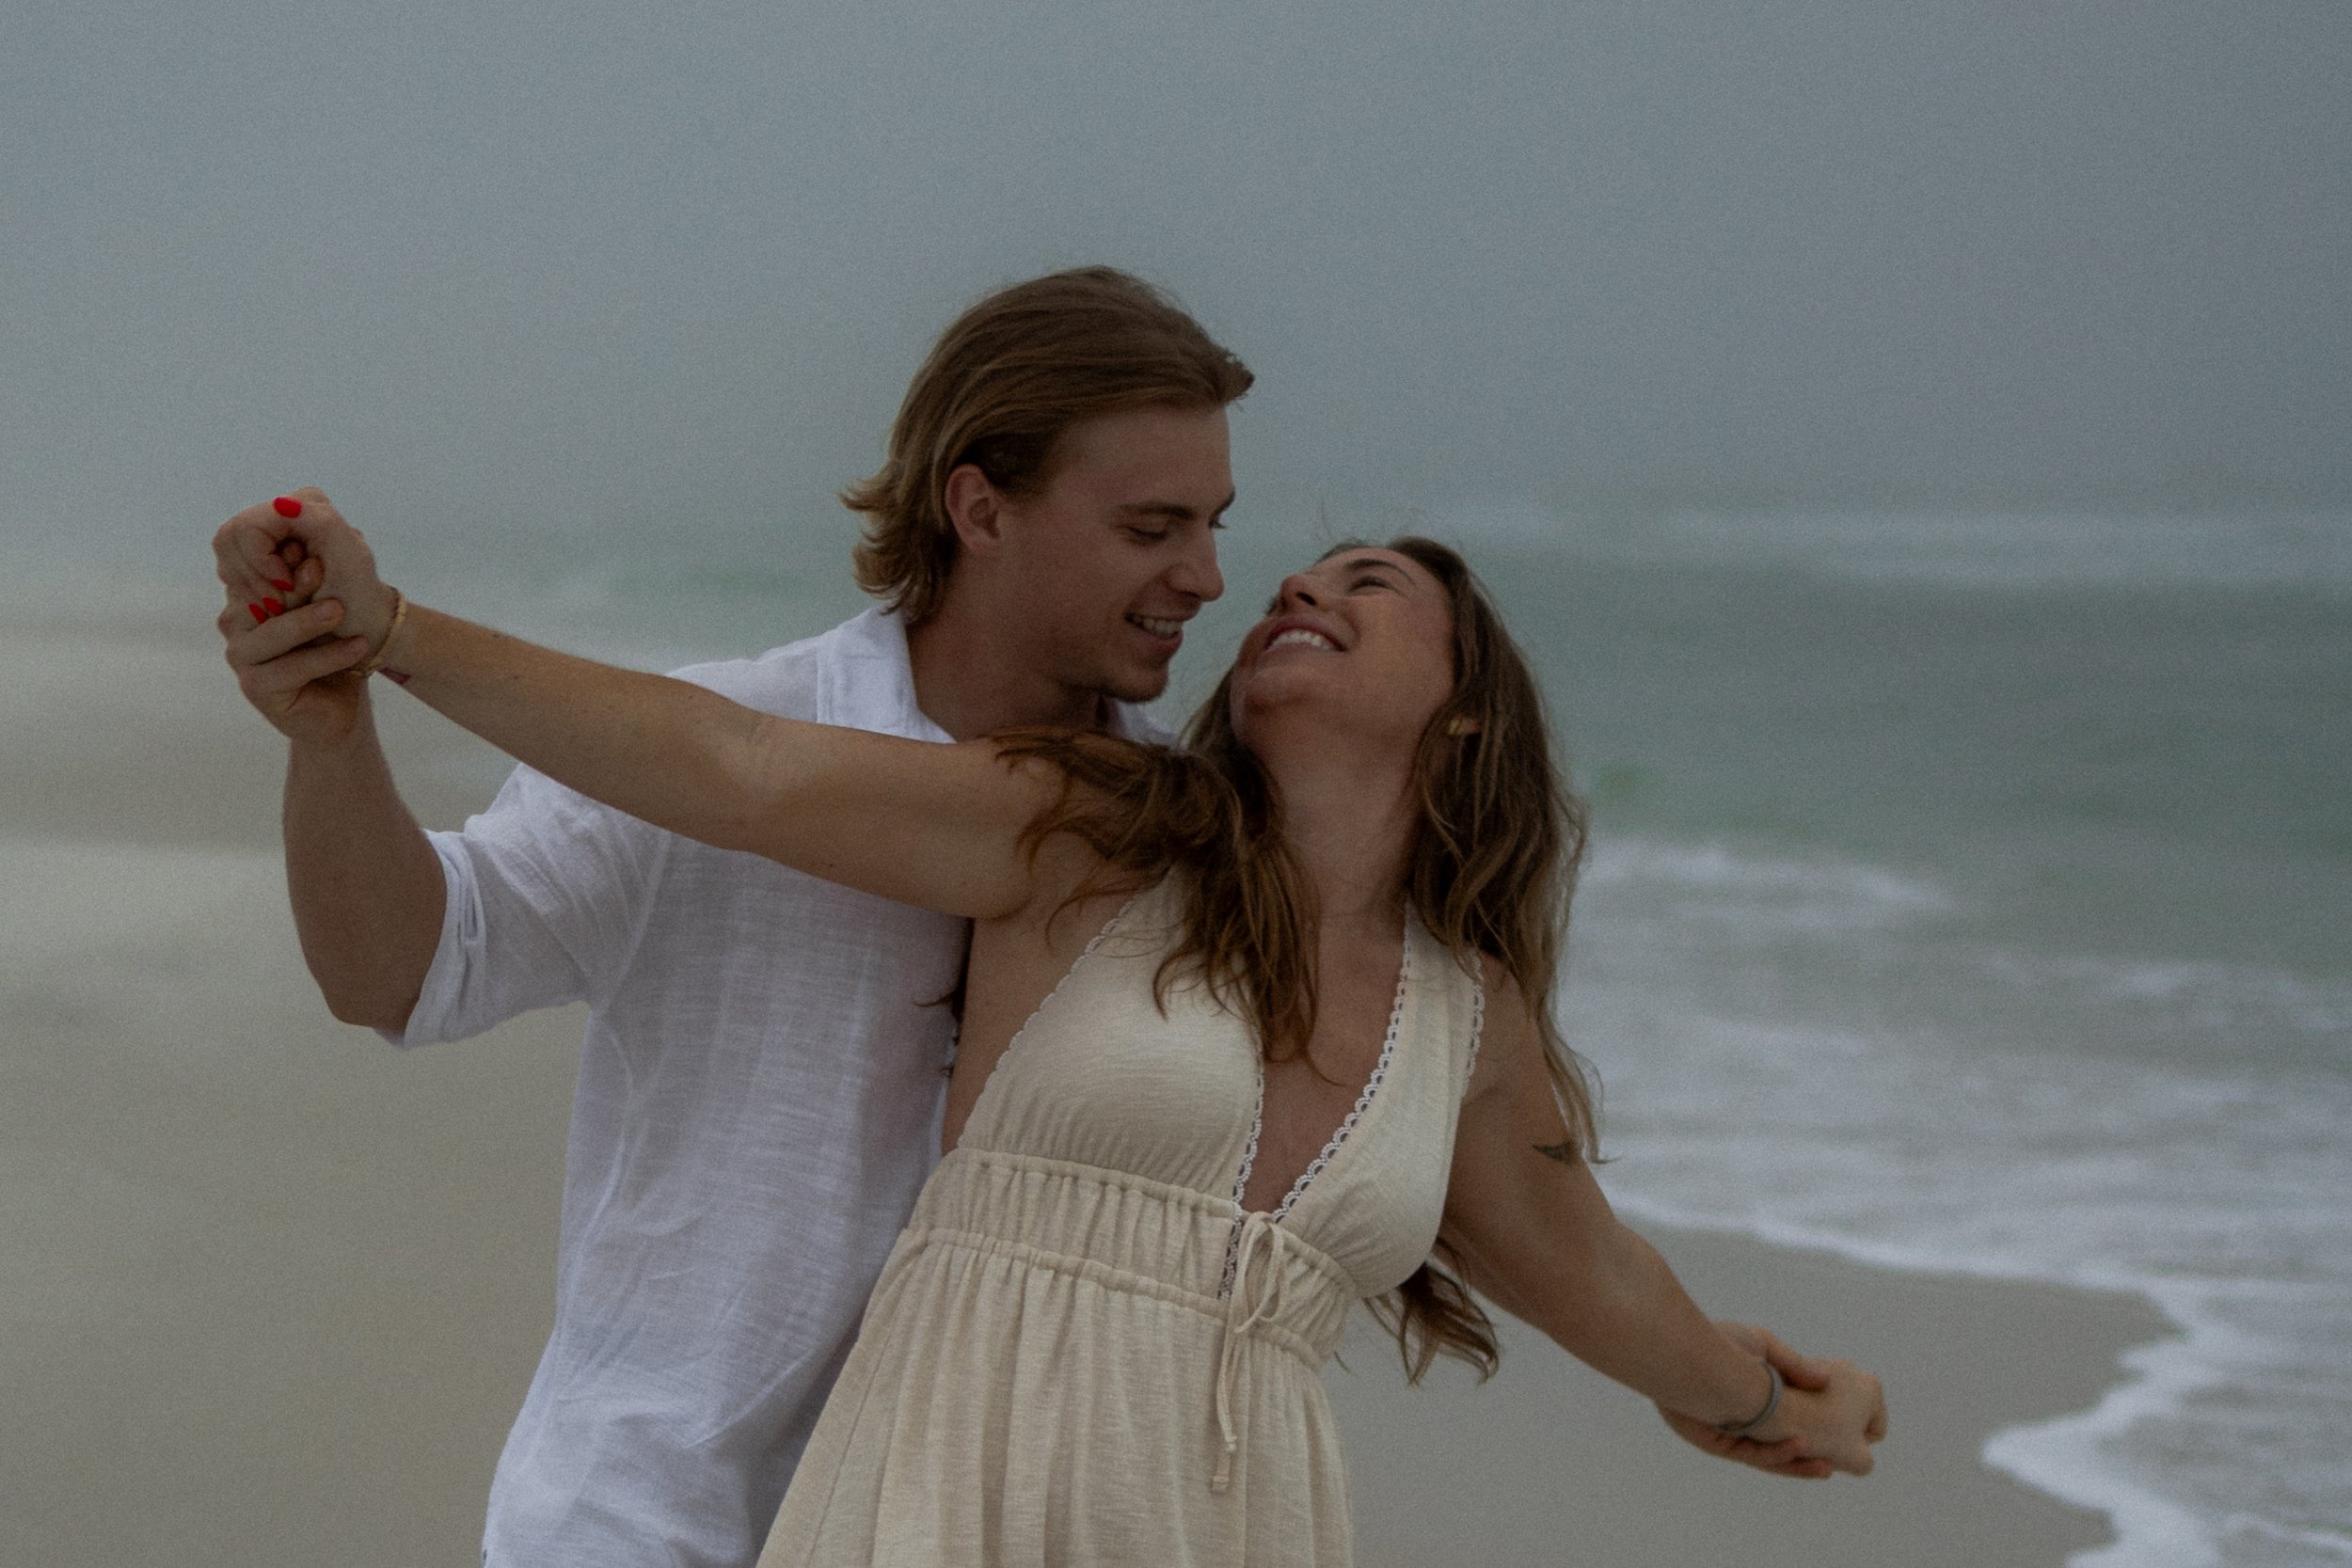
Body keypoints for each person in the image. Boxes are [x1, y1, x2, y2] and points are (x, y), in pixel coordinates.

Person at [218, 493, 1889, 1564]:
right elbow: (745, 769)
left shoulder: (1465, 1013)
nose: (1288, 587)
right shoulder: (1096, 831)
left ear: (1464, 713)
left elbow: (1582, 1263)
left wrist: (1756, 1398)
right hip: (944, 1500)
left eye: (1365, 586)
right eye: (1291, 577)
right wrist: (395, 637)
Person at [214, 268, 1249, 1568]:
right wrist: (331, 738)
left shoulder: (1182, 835)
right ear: (980, 507)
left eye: (1213, 525)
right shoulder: (702, 735)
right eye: (1153, 528)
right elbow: (404, 972)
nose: (1208, 576)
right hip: (642, 1524)